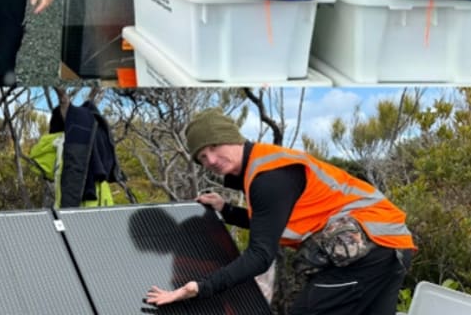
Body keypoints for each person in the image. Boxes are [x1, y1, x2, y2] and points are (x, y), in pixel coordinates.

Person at [145, 108, 415, 315]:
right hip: (391, 246)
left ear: (230, 138)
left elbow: (260, 256)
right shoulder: (264, 166)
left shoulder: (268, 177)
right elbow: (274, 222)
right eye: (202, 157)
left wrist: (197, 287)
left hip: (369, 249)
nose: (211, 160)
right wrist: (226, 210)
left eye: (214, 147)